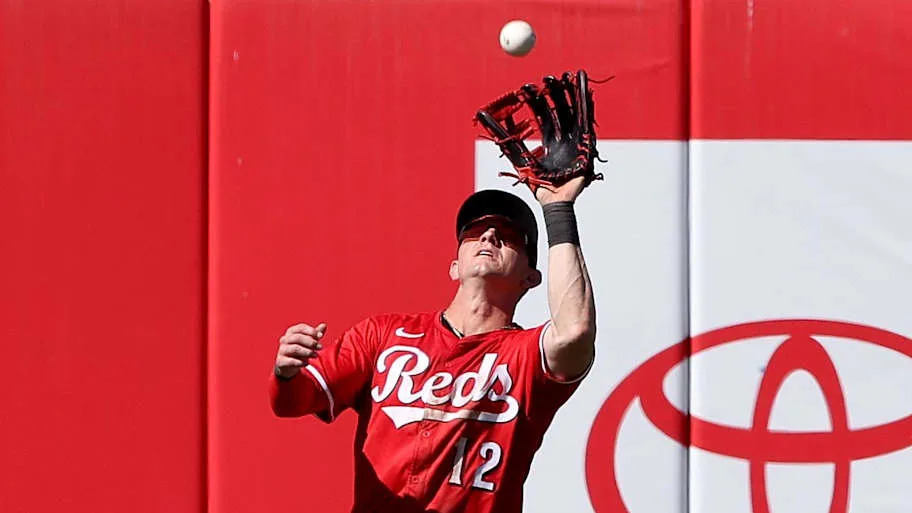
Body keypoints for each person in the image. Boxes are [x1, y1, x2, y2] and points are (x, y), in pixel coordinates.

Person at [270, 176, 597, 513]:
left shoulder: (525, 357)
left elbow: (574, 331)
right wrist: (286, 374)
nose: (489, 236)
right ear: (455, 267)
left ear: (531, 277)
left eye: (510, 236)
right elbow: (293, 402)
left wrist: (558, 210)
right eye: (474, 232)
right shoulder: (382, 335)